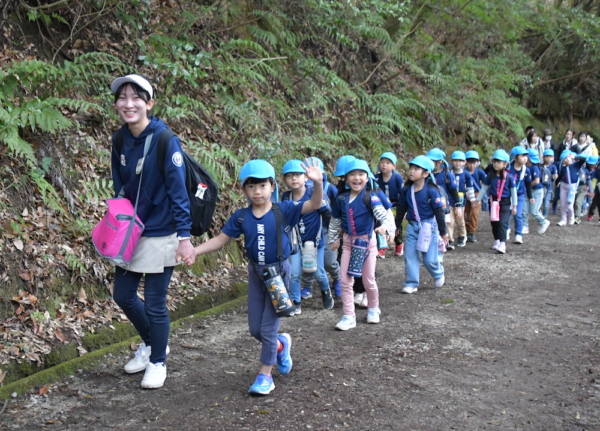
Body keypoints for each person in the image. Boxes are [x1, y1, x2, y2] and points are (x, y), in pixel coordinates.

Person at [184, 158, 323, 395]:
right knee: (255, 330)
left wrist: (317, 183)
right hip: (256, 274)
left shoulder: (285, 210)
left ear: (272, 187)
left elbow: (315, 204)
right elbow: (221, 239)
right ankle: (281, 346)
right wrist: (194, 251)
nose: (257, 191)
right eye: (251, 186)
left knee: (267, 329)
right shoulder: (241, 216)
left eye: (262, 185)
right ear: (243, 190)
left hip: (279, 274)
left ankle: (265, 375)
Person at [109, 74, 196, 389]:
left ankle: (158, 361)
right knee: (123, 295)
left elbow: (179, 192)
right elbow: (119, 184)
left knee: (155, 302)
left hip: (163, 231)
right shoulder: (120, 139)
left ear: (150, 104)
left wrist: (184, 238)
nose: (128, 104)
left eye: (136, 98)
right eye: (122, 98)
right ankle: (151, 343)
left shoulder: (164, 140)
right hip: (131, 231)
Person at [328, 159, 390, 331]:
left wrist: (384, 226)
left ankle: (373, 308)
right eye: (352, 174)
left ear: (367, 177)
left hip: (367, 243)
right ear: (346, 178)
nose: (357, 178)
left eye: (361, 174)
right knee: (345, 280)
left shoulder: (371, 196)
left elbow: (382, 214)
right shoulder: (341, 199)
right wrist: (333, 239)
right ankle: (349, 315)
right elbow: (335, 221)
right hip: (348, 243)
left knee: (368, 279)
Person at [281, 159, 333, 314]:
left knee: (318, 272)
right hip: (295, 242)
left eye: (298, 175)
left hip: (315, 241)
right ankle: (295, 301)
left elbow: (327, 215)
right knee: (295, 273)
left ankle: (326, 291)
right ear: (284, 180)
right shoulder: (286, 197)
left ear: (306, 177)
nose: (294, 178)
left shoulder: (314, 194)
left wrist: (334, 235)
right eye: (289, 176)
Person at [395, 156, 448, 294]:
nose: (411, 171)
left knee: (429, 260)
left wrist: (443, 232)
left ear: (425, 174)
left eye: (416, 168)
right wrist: (396, 226)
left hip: (428, 227)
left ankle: (438, 273)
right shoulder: (407, 189)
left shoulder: (432, 191)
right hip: (412, 227)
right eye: (411, 168)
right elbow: (401, 208)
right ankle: (411, 283)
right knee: (410, 256)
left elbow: (439, 212)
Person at [300, 158, 342, 299]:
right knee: (307, 258)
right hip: (308, 230)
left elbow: (338, 207)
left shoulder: (330, 189)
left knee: (329, 261)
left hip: (326, 229)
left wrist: (337, 228)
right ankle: (307, 286)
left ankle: (337, 278)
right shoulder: (302, 190)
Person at [476, 149, 518, 254]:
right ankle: (497, 239)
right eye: (494, 161)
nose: (496, 164)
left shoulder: (509, 177)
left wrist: (515, 205)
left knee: (503, 222)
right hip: (493, 202)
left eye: (499, 162)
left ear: (505, 164)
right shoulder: (490, 175)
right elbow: (484, 188)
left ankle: (503, 244)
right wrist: (478, 200)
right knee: (494, 222)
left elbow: (513, 192)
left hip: (505, 202)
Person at [426, 148, 461, 250]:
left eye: (432, 161)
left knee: (446, 221)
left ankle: (448, 240)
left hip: (443, 202)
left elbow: (453, 190)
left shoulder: (446, 174)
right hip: (429, 202)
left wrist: (458, 205)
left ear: (439, 162)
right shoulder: (426, 173)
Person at [375, 152, 405, 256]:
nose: (384, 165)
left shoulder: (397, 177)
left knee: (397, 226)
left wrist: (403, 208)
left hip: (395, 205)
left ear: (394, 166)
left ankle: (399, 244)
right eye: (382, 162)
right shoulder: (376, 178)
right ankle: (382, 246)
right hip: (381, 206)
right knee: (381, 225)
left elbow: (402, 193)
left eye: (388, 163)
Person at [449, 151, 476, 247]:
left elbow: (470, 188)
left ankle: (462, 236)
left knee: (460, 220)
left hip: (460, 201)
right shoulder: (448, 173)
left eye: (460, 161)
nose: (458, 163)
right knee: (449, 221)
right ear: (451, 161)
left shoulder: (466, 174)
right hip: (449, 200)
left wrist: (472, 200)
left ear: (464, 162)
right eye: (455, 160)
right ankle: (450, 239)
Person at [507, 146, 532, 244]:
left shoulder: (526, 170)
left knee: (518, 215)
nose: (525, 158)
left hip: (520, 195)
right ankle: (506, 230)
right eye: (522, 156)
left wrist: (530, 196)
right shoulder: (508, 169)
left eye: (526, 156)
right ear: (515, 158)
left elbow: (528, 184)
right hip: (508, 195)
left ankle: (518, 234)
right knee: (507, 214)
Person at [556, 150, 588, 226]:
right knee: (563, 205)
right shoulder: (563, 168)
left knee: (569, 205)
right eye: (564, 159)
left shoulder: (576, 165)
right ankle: (563, 219)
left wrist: (575, 157)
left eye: (567, 158)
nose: (566, 160)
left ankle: (571, 216)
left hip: (572, 187)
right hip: (563, 186)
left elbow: (584, 159)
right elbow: (560, 176)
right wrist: (556, 183)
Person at [523, 149, 551, 234]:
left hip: (537, 191)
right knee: (524, 210)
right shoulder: (527, 167)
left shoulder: (534, 167)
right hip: (529, 191)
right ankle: (525, 226)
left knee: (534, 211)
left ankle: (544, 222)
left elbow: (536, 181)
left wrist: (526, 186)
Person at [465, 150, 486, 242]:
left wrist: (481, 195)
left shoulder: (479, 172)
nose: (471, 165)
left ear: (477, 162)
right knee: (465, 214)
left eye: (474, 163)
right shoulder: (463, 172)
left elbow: (486, 183)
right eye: (469, 162)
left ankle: (472, 232)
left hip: (477, 194)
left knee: (474, 214)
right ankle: (466, 231)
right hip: (465, 195)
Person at [573, 154, 592, 224]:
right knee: (573, 203)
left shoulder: (585, 171)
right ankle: (572, 215)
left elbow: (589, 181)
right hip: (573, 187)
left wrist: (591, 191)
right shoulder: (573, 169)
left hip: (582, 188)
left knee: (578, 202)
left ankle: (577, 217)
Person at [541, 149, 558, 217]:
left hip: (549, 187)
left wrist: (557, 181)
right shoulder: (540, 166)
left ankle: (545, 216)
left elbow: (556, 176)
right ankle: (539, 214)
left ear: (553, 158)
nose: (548, 158)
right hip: (540, 187)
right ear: (543, 157)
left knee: (546, 202)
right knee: (539, 202)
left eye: (550, 157)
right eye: (547, 156)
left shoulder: (553, 167)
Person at [587, 156, 600, 223]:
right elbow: (594, 180)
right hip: (598, 188)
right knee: (595, 203)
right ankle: (590, 214)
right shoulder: (597, 169)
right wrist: (592, 190)